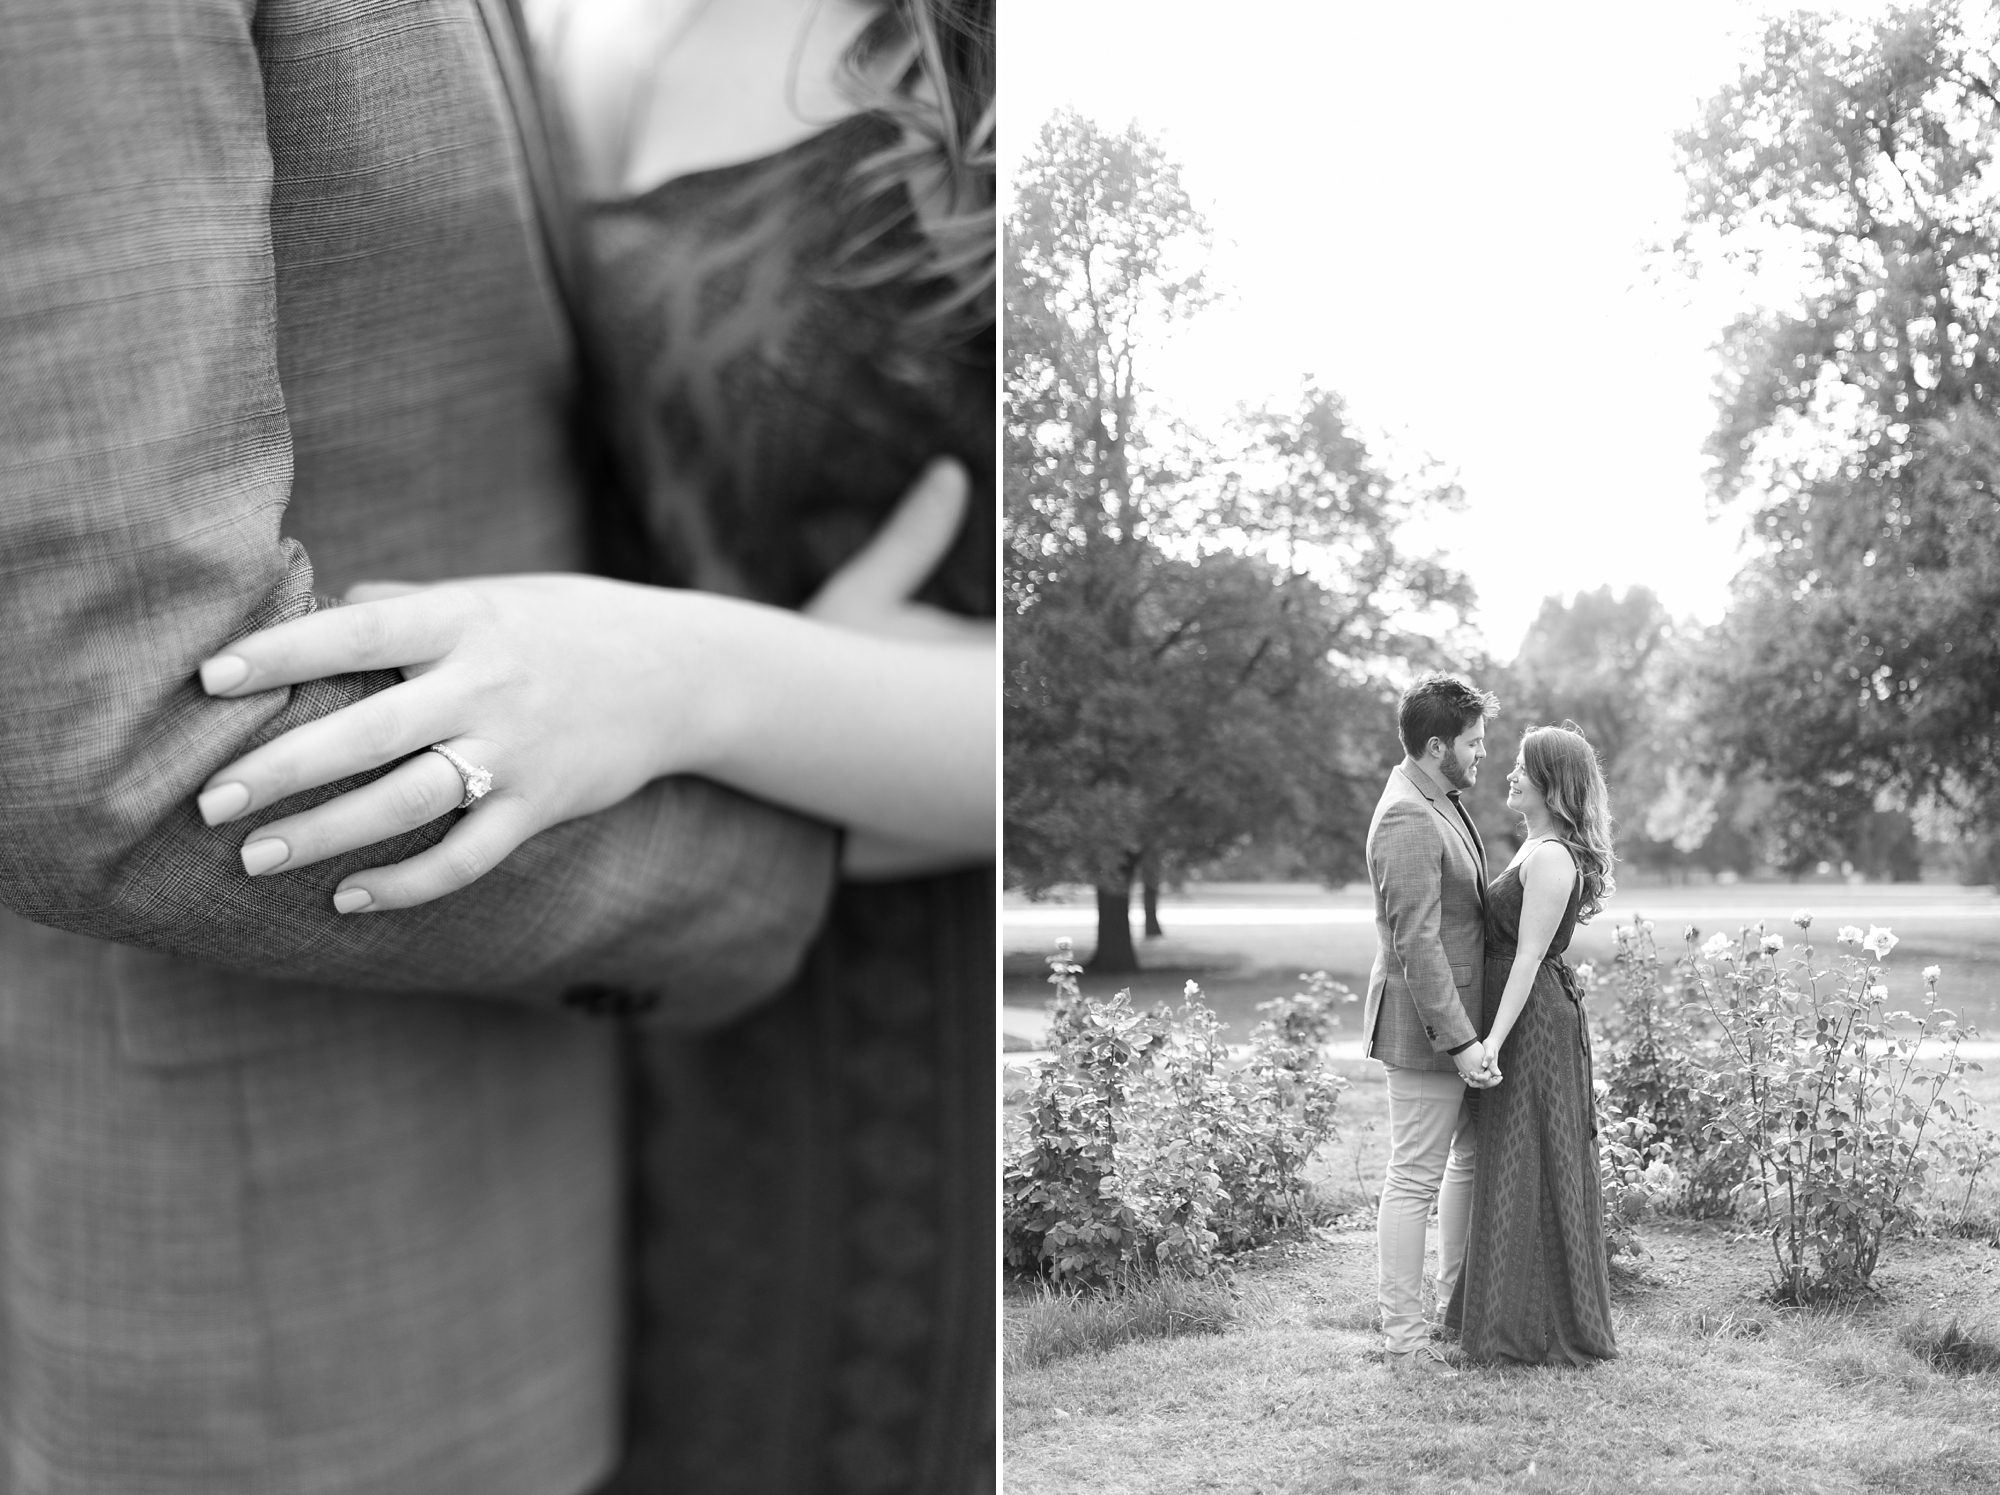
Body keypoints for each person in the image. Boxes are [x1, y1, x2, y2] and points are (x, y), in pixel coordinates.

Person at [0, 2, 965, 1491]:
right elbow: (106, 731)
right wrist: (774, 768)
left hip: (772, 1040)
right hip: (353, 1189)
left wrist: (723, 685)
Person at [1445, 724, 1619, 1367]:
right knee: (1516, 1155)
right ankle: (1502, 1313)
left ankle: (1529, 1327)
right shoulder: (1535, 845)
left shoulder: (1550, 858)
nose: (1509, 775)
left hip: (1532, 1025)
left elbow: (1527, 959)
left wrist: (1490, 1039)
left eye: (1522, 768)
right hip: (1519, 1019)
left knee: (1533, 1154)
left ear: (1550, 784)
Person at [1362, 672, 1502, 1376]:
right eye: (1474, 743)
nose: (1483, 754)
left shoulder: (1439, 798)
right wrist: (1463, 1041)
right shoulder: (1407, 817)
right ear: (1437, 743)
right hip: (1427, 1033)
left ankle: (1453, 1313)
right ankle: (1405, 1342)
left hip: (1460, 1029)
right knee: (1413, 1178)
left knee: (1464, 1163)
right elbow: (1416, 944)